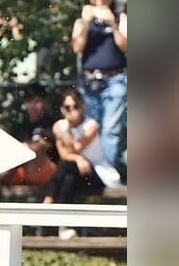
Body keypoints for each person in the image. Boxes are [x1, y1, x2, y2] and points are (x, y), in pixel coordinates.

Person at [44, 89, 122, 238]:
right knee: (68, 176)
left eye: (76, 106)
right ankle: (64, 225)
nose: (72, 111)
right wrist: (79, 159)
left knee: (68, 167)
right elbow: (64, 155)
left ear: (82, 107)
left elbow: (75, 148)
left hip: (97, 174)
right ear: (62, 109)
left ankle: (49, 199)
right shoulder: (59, 126)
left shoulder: (91, 126)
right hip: (75, 173)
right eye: (67, 107)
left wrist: (65, 134)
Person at [71, 0, 127, 171]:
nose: (100, 0)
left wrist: (113, 24)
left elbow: (126, 46)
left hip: (115, 80)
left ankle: (108, 174)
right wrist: (86, 23)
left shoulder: (120, 18)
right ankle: (93, 175)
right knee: (90, 129)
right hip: (89, 81)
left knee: (110, 131)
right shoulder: (82, 21)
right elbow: (77, 47)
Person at [4, 83, 58, 187]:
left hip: (45, 172)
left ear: (44, 102)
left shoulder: (51, 124)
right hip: (22, 172)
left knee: (32, 150)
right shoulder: (20, 126)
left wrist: (25, 148)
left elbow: (44, 145)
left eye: (37, 101)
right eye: (29, 101)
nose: (33, 106)